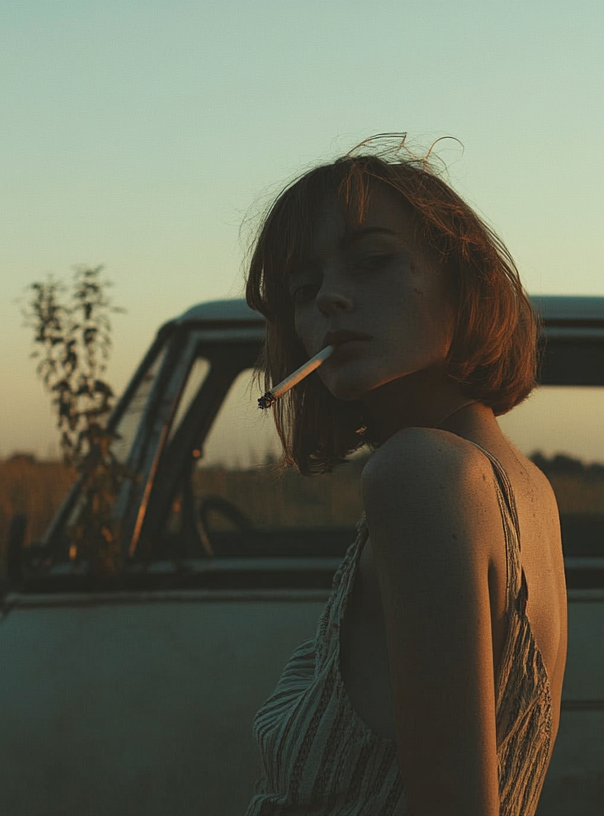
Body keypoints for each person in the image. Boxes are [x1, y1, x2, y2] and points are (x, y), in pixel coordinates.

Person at [242, 140, 568, 816]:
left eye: (371, 262)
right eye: (303, 290)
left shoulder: (420, 472)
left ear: (462, 279)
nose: (329, 298)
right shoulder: (525, 486)